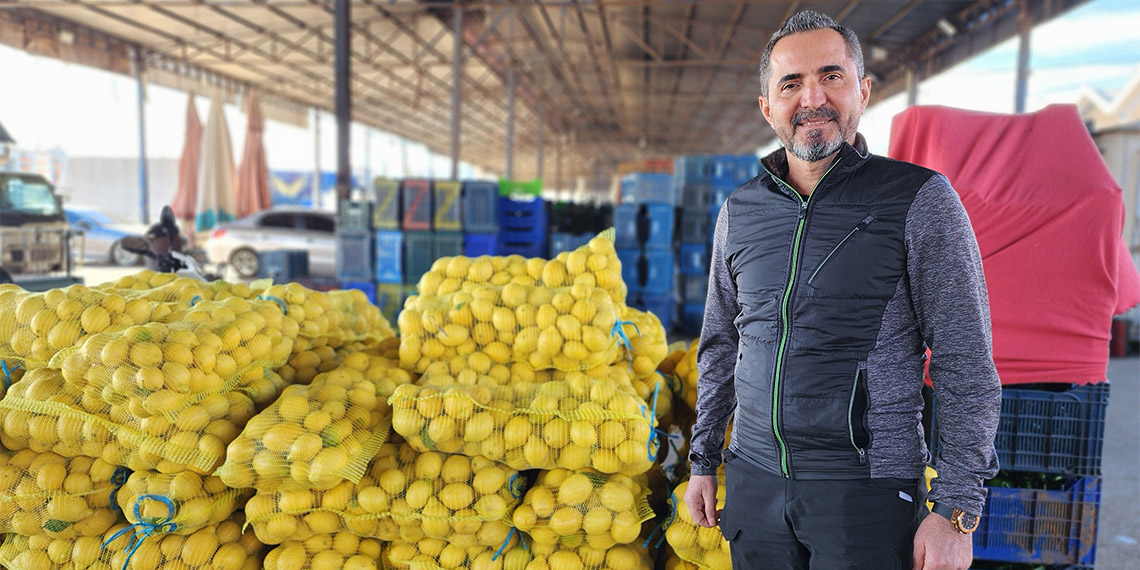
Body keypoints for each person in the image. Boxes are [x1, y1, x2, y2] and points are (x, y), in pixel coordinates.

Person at [683, 10, 1001, 570]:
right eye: (791, 84)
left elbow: (965, 361)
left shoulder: (919, 200)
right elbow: (719, 346)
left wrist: (956, 509)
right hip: (754, 484)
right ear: (767, 107)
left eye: (831, 76)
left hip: (866, 494)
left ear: (863, 90)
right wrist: (703, 460)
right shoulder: (740, 212)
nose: (813, 98)